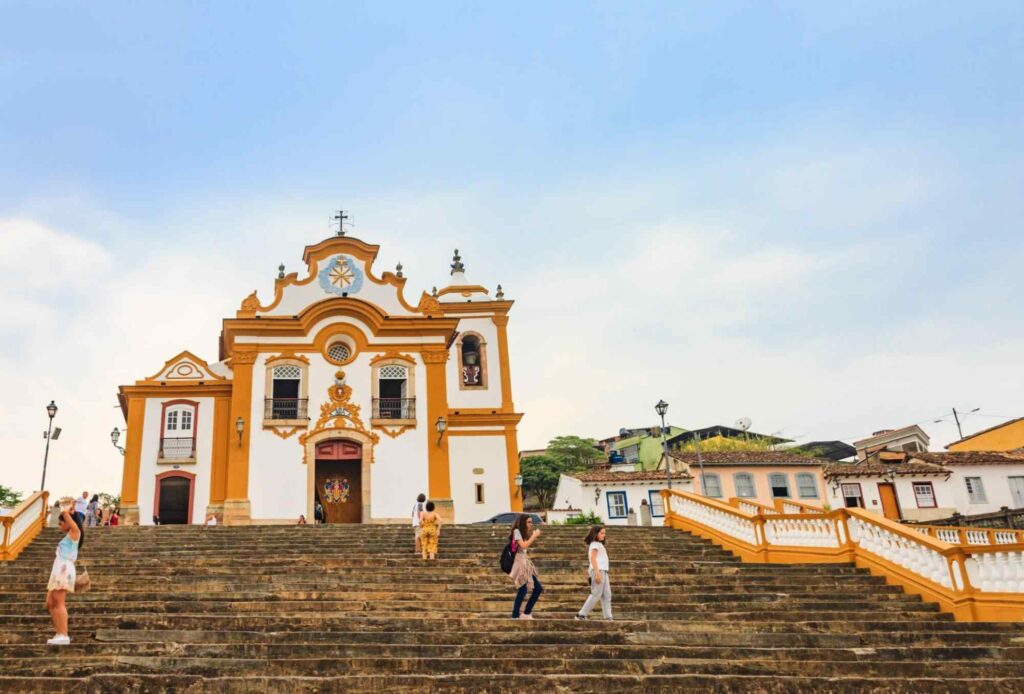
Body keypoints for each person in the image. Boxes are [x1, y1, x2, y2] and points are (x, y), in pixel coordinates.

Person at [45, 505, 83, 645]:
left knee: (59, 602)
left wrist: (68, 510)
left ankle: (63, 634)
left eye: (61, 522)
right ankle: (59, 632)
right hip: (58, 568)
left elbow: (64, 512)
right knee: (50, 603)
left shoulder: (75, 531)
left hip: (64, 569)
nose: (60, 525)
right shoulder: (69, 535)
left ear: (68, 522)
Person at [509, 514, 542, 620]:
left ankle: (526, 613)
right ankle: (516, 615)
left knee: (537, 588)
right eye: (528, 522)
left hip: (525, 563)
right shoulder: (516, 531)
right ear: (522, 522)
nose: (530, 524)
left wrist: (531, 536)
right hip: (519, 563)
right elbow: (523, 546)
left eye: (531, 522)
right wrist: (534, 536)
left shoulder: (523, 533)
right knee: (522, 589)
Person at [576, 525, 612, 621]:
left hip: (603, 571)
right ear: (596, 534)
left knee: (607, 595)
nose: (604, 535)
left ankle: (608, 616)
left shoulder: (598, 544)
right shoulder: (595, 544)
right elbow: (593, 558)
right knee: (596, 594)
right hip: (598, 570)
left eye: (604, 533)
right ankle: (581, 614)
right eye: (602, 533)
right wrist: (597, 573)